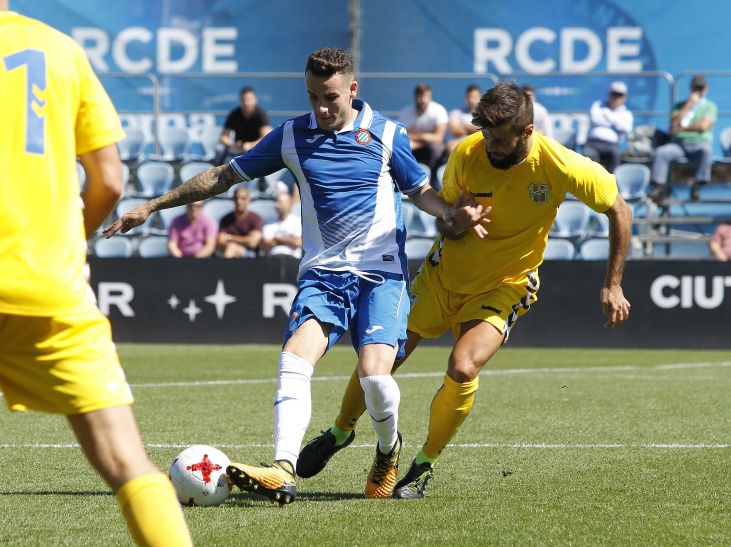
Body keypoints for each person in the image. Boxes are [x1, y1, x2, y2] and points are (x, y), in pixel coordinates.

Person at [103, 47, 488, 505]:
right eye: (312, 97)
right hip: (324, 277)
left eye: (329, 98)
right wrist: (152, 205)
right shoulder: (291, 136)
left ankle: (388, 451)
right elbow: (224, 177)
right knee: (293, 360)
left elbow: (421, 192)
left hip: (382, 276)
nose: (321, 109)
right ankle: (282, 468)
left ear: (352, 89)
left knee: (373, 377)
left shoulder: (387, 133)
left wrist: (451, 216)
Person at [296, 81, 632, 500]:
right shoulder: (469, 152)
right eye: (486, 135)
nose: (489, 145)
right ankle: (341, 430)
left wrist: (613, 283)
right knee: (382, 357)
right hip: (442, 277)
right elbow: (445, 222)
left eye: (499, 139)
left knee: (462, 367)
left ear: (527, 132)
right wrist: (457, 222)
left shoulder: (562, 165)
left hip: (505, 285)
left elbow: (620, 209)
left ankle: (422, 466)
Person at [0, 5, 192, 546]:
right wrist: (63, 245)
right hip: (49, 287)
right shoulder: (61, 49)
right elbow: (107, 180)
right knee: (130, 465)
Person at [649, 75, 718, 203]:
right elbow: (673, 122)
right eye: (696, 87)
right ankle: (659, 187)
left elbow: (703, 126)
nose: (698, 90)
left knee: (706, 151)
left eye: (701, 87)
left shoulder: (710, 106)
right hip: (678, 145)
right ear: (690, 88)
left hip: (698, 144)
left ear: (706, 89)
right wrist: (689, 104)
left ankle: (697, 186)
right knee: (661, 152)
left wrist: (682, 129)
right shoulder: (680, 105)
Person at [581, 81, 634, 173]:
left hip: (612, 146)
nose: (616, 98)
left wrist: (607, 116)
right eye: (614, 94)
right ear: (609, 94)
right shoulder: (598, 105)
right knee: (586, 158)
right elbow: (595, 119)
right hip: (592, 144)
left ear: (624, 98)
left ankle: (612, 185)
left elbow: (626, 128)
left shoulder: (627, 113)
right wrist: (616, 121)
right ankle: (584, 185)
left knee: (615, 156)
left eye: (619, 95)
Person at [398, 82, 449, 173]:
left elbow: (438, 138)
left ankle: (433, 180)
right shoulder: (406, 112)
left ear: (430, 97)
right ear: (415, 97)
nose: (423, 100)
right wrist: (427, 136)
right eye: (420, 96)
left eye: (426, 96)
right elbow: (402, 136)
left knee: (436, 148)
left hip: (431, 149)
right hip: (414, 148)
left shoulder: (438, 110)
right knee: (402, 147)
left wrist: (417, 140)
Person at [216, 86, 272, 164]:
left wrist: (250, 145)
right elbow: (223, 137)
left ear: (255, 99)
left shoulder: (261, 114)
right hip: (238, 154)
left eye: (249, 99)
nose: (246, 103)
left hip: (258, 153)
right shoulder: (234, 114)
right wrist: (233, 145)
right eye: (244, 100)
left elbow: (267, 137)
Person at [217, 187, 263, 258]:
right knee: (231, 247)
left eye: (243, 198)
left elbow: (253, 242)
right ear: (233, 200)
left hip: (250, 255)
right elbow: (220, 241)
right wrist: (246, 239)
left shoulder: (256, 218)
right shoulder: (225, 219)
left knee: (231, 248)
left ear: (248, 200)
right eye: (236, 198)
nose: (239, 201)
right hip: (228, 250)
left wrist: (229, 237)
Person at [261, 192, 302, 258]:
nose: (277, 205)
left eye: (280, 202)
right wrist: (290, 240)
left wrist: (277, 240)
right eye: (276, 202)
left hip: (292, 258)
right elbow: (266, 245)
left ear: (289, 204)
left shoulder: (297, 221)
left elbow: (298, 242)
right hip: (273, 258)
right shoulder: (269, 223)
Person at [447, 84, 481, 154]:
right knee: (451, 146)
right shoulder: (456, 112)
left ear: (480, 97)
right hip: (459, 141)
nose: (471, 100)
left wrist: (464, 127)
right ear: (466, 97)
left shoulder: (485, 114)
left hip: (479, 141)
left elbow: (483, 130)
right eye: (469, 97)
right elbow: (453, 129)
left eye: (474, 97)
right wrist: (474, 129)